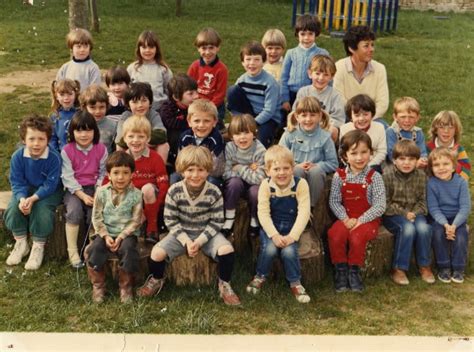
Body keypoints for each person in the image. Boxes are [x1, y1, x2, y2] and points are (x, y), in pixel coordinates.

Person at [137, 146, 241, 306]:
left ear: (208, 170)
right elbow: (171, 220)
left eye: (200, 170)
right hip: (181, 234)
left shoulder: (214, 192)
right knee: (157, 253)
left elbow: (217, 221)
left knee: (226, 250)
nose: (195, 175)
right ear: (182, 170)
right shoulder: (175, 190)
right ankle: (157, 279)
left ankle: (224, 283)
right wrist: (186, 241)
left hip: (207, 234)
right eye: (190, 170)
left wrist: (199, 241)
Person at [246, 145, 311, 303]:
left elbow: (304, 212)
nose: (281, 173)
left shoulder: (300, 184)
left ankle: (295, 282)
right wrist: (274, 235)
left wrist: (292, 236)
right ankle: (260, 276)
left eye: (285, 168)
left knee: (289, 252)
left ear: (292, 168)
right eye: (276, 169)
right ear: (268, 171)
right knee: (269, 249)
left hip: (291, 228)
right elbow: (263, 213)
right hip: (271, 228)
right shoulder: (266, 186)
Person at [328, 130, 386, 293]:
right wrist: (345, 219)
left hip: (368, 220)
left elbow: (380, 206)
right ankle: (341, 270)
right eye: (354, 153)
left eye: (364, 152)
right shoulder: (339, 176)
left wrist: (360, 221)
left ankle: (354, 271)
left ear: (371, 153)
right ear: (345, 156)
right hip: (346, 217)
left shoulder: (375, 177)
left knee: (356, 236)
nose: (359, 158)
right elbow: (334, 201)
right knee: (335, 234)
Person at [4, 115, 63, 270]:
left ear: (48, 140)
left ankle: (38, 245)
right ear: (24, 140)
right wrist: (23, 198)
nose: (36, 144)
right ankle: (21, 242)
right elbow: (17, 181)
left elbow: (51, 184)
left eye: (41, 139)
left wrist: (34, 199)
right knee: (14, 208)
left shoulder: (54, 158)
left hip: (49, 191)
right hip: (27, 190)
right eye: (32, 139)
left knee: (41, 209)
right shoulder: (18, 157)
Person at [87, 151, 142, 303]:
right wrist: (105, 235)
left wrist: (121, 237)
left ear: (132, 174)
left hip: (126, 233)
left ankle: (125, 286)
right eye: (116, 173)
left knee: (129, 250)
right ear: (109, 174)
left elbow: (136, 220)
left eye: (125, 173)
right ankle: (98, 285)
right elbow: (96, 217)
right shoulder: (101, 192)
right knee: (95, 249)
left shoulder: (137, 194)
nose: (120, 177)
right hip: (105, 231)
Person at [382, 140, 434, 285]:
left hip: (416, 213)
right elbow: (385, 204)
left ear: (417, 161)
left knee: (423, 228)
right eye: (402, 159)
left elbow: (423, 202)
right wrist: (405, 214)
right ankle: (398, 269)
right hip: (393, 214)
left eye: (411, 159)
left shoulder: (421, 176)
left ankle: (424, 265)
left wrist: (414, 213)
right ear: (394, 160)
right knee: (408, 229)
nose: (406, 163)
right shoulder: (387, 175)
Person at [61, 111, 108, 268]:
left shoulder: (101, 149)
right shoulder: (67, 150)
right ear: (72, 132)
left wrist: (98, 190)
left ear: (94, 131)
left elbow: (103, 172)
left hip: (95, 188)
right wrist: (81, 195)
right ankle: (73, 251)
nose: (83, 135)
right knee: (74, 211)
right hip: (74, 189)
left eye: (88, 130)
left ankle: (91, 250)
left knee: (95, 212)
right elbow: (67, 177)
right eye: (79, 130)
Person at [279, 96, 338, 209]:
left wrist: (316, 165)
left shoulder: (325, 137)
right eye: (304, 115)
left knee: (315, 171)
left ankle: (313, 208)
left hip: (315, 174)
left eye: (312, 115)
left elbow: (333, 163)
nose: (308, 119)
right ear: (297, 116)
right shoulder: (290, 134)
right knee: (297, 170)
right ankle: (296, 206)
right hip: (295, 169)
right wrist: (294, 165)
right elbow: (280, 157)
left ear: (320, 116)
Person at [427, 147, 471, 284]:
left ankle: (458, 268)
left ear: (454, 166)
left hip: (458, 218)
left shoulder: (461, 183)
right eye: (436, 165)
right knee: (438, 234)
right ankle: (444, 267)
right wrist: (446, 225)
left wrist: (454, 226)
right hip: (440, 219)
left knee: (461, 237)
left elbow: (465, 207)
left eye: (446, 164)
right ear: (431, 168)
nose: (441, 168)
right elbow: (433, 208)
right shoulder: (431, 184)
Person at [122, 116, 169, 243]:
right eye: (131, 136)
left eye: (141, 137)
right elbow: (109, 179)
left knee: (147, 188)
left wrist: (157, 204)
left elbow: (163, 183)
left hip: (151, 199)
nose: (135, 140)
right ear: (124, 138)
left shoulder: (155, 158)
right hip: (129, 199)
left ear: (148, 138)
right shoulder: (122, 159)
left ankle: (152, 228)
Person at [227, 41, 281, 148]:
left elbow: (269, 111)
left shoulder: (270, 83)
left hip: (268, 118)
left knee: (259, 143)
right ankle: (239, 126)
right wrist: (242, 120)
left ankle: (272, 134)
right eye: (248, 59)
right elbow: (233, 102)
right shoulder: (241, 80)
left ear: (264, 62)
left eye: (257, 59)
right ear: (242, 62)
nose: (252, 63)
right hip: (250, 113)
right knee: (232, 90)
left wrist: (252, 124)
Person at [333, 25, 389, 127]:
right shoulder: (339, 67)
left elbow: (383, 103)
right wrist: (357, 118)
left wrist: (366, 119)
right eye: (366, 46)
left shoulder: (380, 69)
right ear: (352, 48)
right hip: (347, 117)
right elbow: (339, 100)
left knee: (386, 130)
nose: (371, 49)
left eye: (372, 45)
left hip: (372, 119)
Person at [222, 114, 266, 238]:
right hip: (236, 187)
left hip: (254, 186)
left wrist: (240, 167)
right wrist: (249, 169)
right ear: (231, 136)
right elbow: (226, 173)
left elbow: (259, 179)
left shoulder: (259, 150)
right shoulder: (230, 148)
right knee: (234, 182)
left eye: (246, 132)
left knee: (256, 191)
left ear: (254, 133)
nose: (242, 137)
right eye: (237, 134)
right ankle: (229, 218)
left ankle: (254, 219)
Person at [280, 14, 329, 112]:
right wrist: (285, 99)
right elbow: (284, 77)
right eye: (303, 34)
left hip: (314, 94)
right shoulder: (291, 53)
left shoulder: (323, 53)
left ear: (316, 34)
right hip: (292, 94)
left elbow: (329, 76)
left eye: (310, 34)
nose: (306, 38)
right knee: (290, 121)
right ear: (297, 34)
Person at [171, 99, 225, 187]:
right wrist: (190, 175)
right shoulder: (185, 137)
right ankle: (177, 198)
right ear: (189, 121)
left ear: (214, 122)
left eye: (206, 121)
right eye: (196, 121)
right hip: (188, 173)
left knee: (213, 182)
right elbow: (180, 163)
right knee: (174, 177)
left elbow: (217, 169)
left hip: (208, 175)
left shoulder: (216, 139)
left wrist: (199, 175)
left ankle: (209, 200)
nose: (201, 125)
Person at [292, 54, 346, 140]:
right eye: (317, 73)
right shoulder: (303, 92)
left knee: (333, 130)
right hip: (305, 124)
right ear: (310, 73)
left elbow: (338, 119)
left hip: (325, 128)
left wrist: (320, 125)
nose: (321, 78)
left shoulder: (335, 95)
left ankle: (328, 151)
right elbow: (295, 113)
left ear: (332, 77)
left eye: (326, 75)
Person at [115, 82, 169, 163]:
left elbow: (162, 134)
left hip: (149, 148)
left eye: (144, 100)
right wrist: (135, 142)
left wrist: (143, 142)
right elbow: (120, 139)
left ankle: (160, 170)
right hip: (131, 147)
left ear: (150, 102)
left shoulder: (152, 114)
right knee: (119, 147)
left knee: (164, 145)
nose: (140, 105)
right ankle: (121, 168)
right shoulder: (125, 116)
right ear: (128, 104)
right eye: (135, 102)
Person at [187, 27, 228, 127]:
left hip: (215, 106)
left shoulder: (222, 69)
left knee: (212, 128)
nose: (207, 52)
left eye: (211, 48)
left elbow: (220, 94)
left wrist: (209, 108)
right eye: (204, 48)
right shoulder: (194, 66)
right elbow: (188, 87)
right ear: (198, 49)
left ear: (218, 48)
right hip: (196, 104)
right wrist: (194, 105)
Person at [159, 73, 199, 169]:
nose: (196, 96)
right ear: (176, 97)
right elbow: (170, 123)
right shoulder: (167, 109)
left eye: (196, 92)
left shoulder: (195, 106)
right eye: (191, 94)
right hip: (173, 142)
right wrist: (189, 123)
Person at [127, 30, 173, 111]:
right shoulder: (132, 68)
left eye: (151, 47)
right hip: (137, 111)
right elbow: (127, 91)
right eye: (144, 47)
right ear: (139, 48)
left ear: (157, 49)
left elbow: (170, 91)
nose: (147, 50)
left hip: (159, 111)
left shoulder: (164, 69)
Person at [339, 94, 387, 168]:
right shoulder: (344, 129)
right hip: (351, 166)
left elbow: (382, 152)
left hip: (373, 165)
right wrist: (353, 167)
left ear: (372, 114)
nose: (361, 118)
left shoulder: (379, 127)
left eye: (365, 114)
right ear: (350, 117)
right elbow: (342, 152)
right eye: (357, 115)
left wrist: (368, 166)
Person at [426, 110, 471, 181]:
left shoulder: (459, 149)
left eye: (451, 127)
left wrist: (454, 162)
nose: (446, 131)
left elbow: (466, 170)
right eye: (442, 127)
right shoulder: (428, 148)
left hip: (453, 187)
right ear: (435, 130)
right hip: (432, 187)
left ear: (456, 130)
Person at [386, 97, 428, 167]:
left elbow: (422, 152)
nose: (407, 120)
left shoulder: (418, 133)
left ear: (417, 118)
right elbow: (391, 154)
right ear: (395, 117)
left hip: (415, 164)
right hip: (395, 165)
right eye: (403, 117)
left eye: (411, 117)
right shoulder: (391, 132)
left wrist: (423, 160)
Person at [56, 28, 101, 92]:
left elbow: (94, 90)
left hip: (86, 101)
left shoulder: (93, 68)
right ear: (71, 48)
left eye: (85, 46)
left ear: (90, 47)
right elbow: (58, 88)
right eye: (78, 46)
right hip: (68, 100)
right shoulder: (65, 68)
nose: (82, 50)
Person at [80, 84, 118, 154]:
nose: (98, 111)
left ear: (107, 106)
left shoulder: (113, 125)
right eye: (93, 107)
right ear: (85, 107)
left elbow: (115, 150)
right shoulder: (79, 124)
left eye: (101, 107)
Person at [48, 79, 81, 152]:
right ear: (56, 96)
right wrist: (56, 154)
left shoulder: (81, 114)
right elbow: (52, 139)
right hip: (62, 155)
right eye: (62, 95)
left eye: (70, 94)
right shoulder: (54, 116)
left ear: (75, 94)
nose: (66, 98)